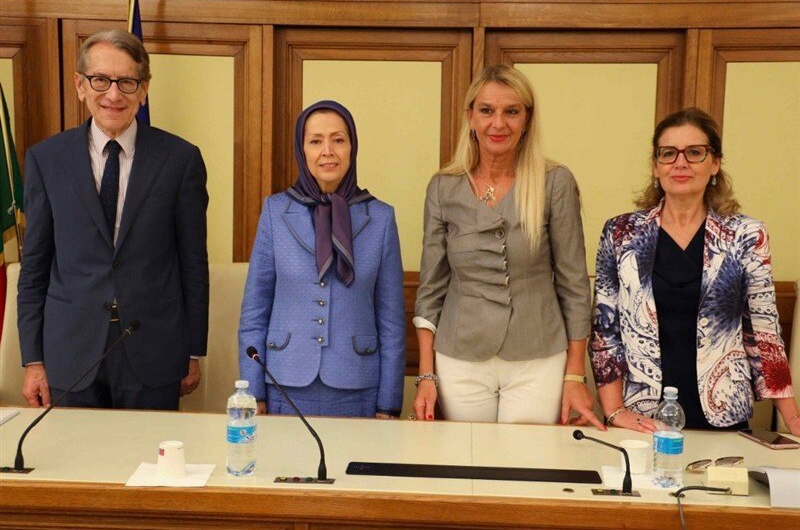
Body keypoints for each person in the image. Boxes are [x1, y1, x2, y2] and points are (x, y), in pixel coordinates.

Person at [18, 29, 209, 410]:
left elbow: (193, 262)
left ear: (144, 89)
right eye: (101, 80)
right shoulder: (46, 159)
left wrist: (193, 349)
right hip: (70, 350)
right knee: (74, 449)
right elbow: (35, 265)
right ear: (80, 85)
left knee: (150, 450)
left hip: (154, 349)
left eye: (127, 82)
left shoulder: (180, 160)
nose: (113, 94)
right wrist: (33, 359)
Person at [412, 64, 603, 428]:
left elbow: (574, 285)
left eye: (511, 111)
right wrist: (426, 375)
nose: (498, 123)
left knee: (527, 459)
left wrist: (575, 375)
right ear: (470, 117)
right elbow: (431, 289)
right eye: (487, 111)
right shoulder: (443, 188)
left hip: (538, 357)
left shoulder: (555, 182)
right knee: (465, 459)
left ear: (527, 119)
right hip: (460, 357)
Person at [590, 107, 800, 435]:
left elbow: (764, 333)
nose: (680, 162)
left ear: (715, 163)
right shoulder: (621, 234)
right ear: (656, 166)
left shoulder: (746, 235)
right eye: (668, 153)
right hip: (641, 417)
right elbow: (606, 331)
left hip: (722, 413)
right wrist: (615, 411)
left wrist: (793, 421)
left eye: (694, 152)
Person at [238, 100, 405, 418]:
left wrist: (389, 402)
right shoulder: (275, 212)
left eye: (338, 140)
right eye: (316, 141)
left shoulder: (381, 218)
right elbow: (254, 311)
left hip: (357, 385)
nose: (328, 151)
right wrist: (253, 391)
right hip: (284, 381)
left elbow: (392, 321)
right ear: (301, 150)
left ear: (352, 147)